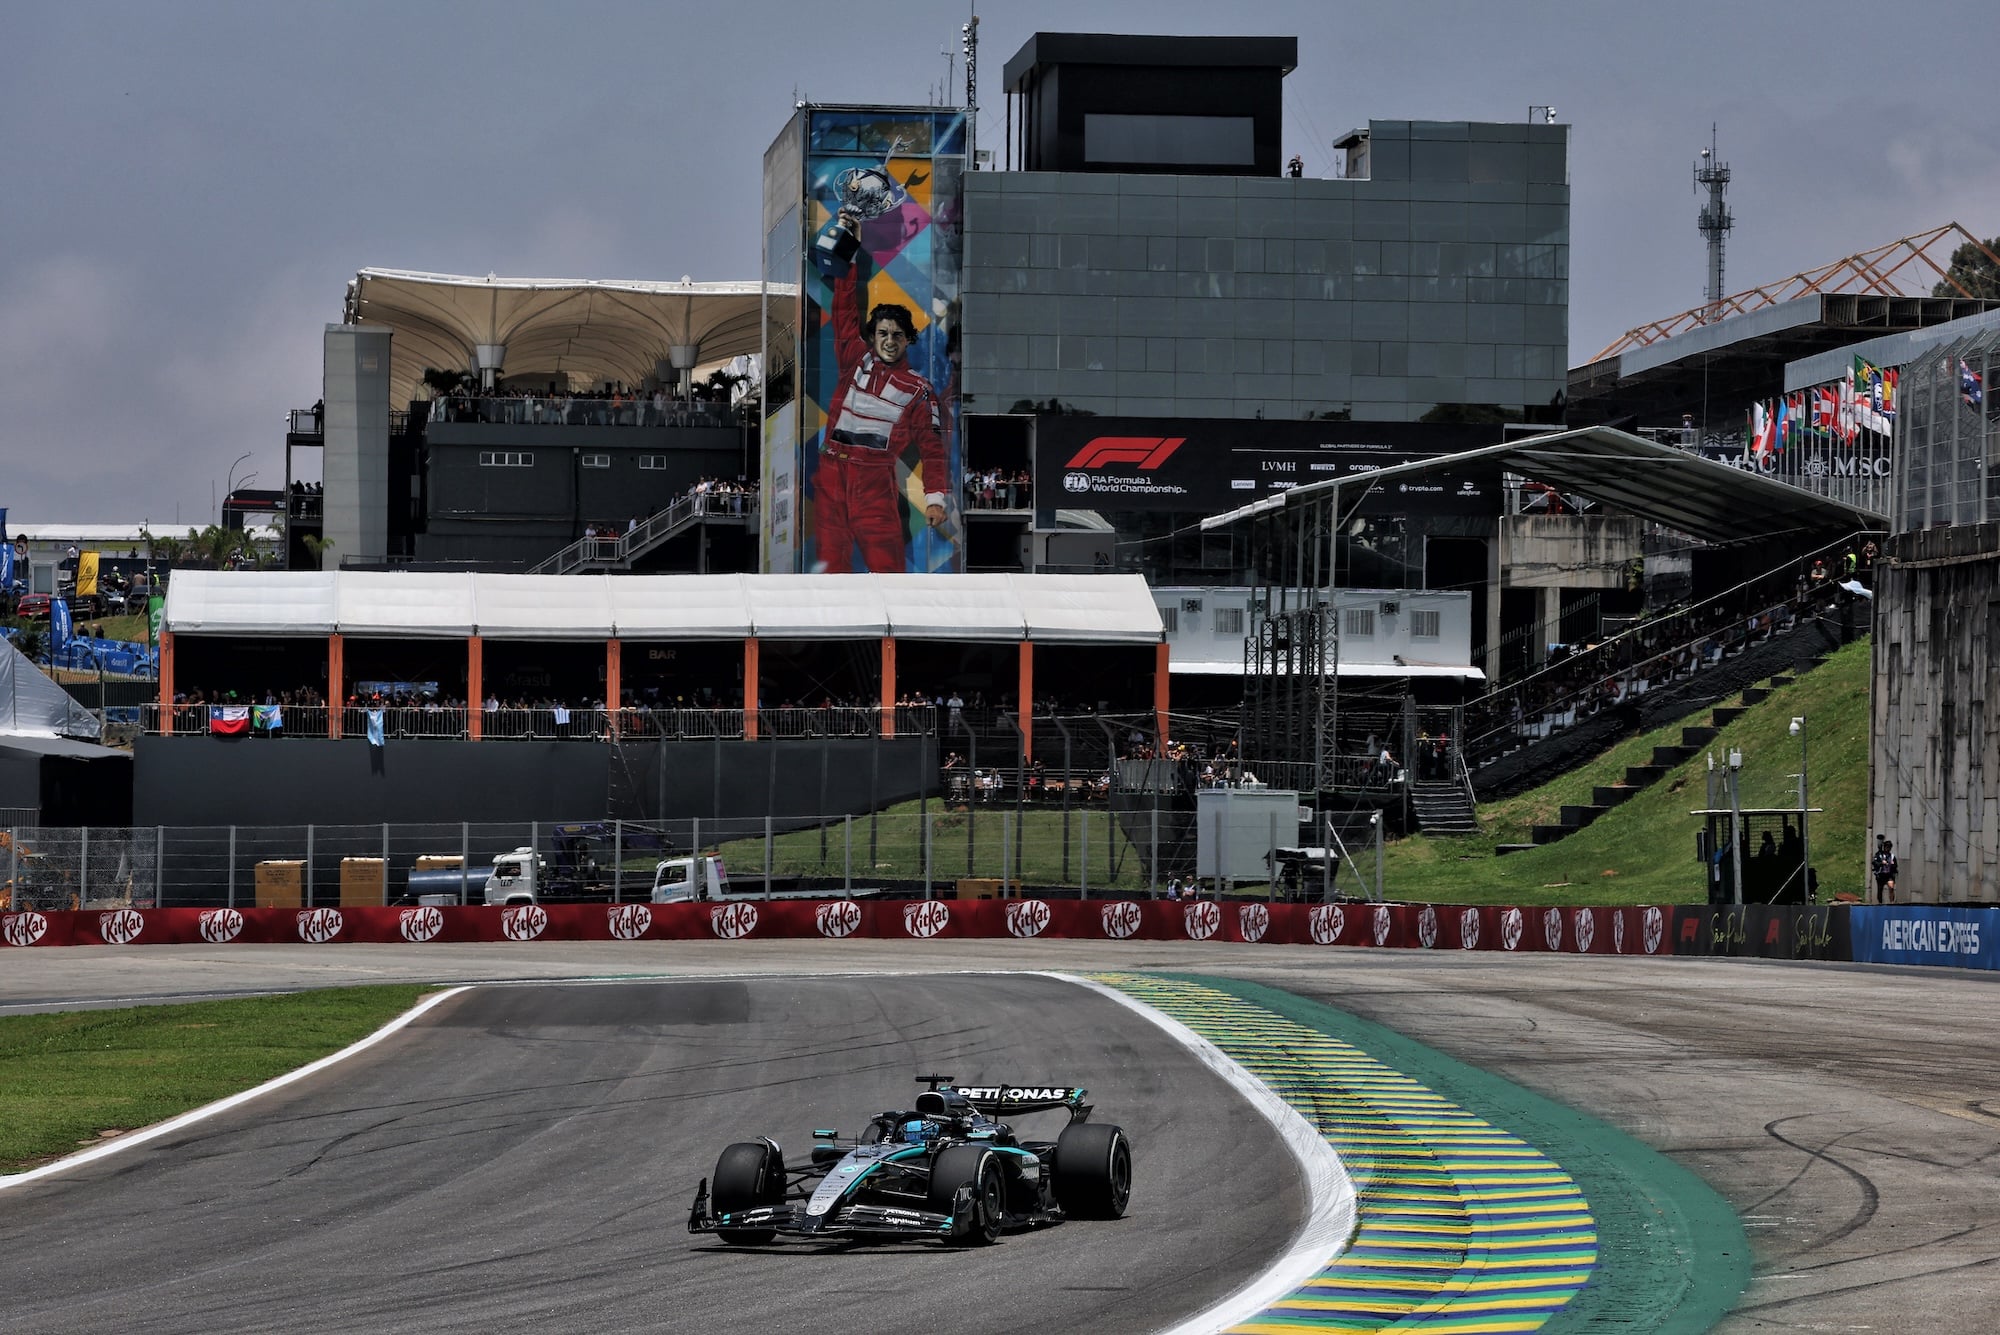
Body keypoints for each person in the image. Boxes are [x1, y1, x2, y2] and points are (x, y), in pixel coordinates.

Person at [815, 208, 950, 573]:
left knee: (888, 571)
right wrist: (852, 244)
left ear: (908, 340)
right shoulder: (854, 357)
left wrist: (935, 501)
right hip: (831, 474)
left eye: (897, 335)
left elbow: (933, 451)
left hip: (874, 482)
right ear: (872, 337)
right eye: (883, 334)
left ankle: (895, 629)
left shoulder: (919, 390)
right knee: (830, 569)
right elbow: (844, 306)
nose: (890, 341)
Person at [1872, 836, 1897, 903]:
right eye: (1887, 847)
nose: (1888, 849)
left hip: (1889, 875)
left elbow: (1895, 866)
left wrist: (1892, 865)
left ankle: (1892, 902)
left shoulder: (1892, 856)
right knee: (1880, 890)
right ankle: (1880, 903)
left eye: (1889, 847)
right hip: (1881, 875)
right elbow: (1874, 863)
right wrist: (1881, 863)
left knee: (1891, 887)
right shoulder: (1879, 855)